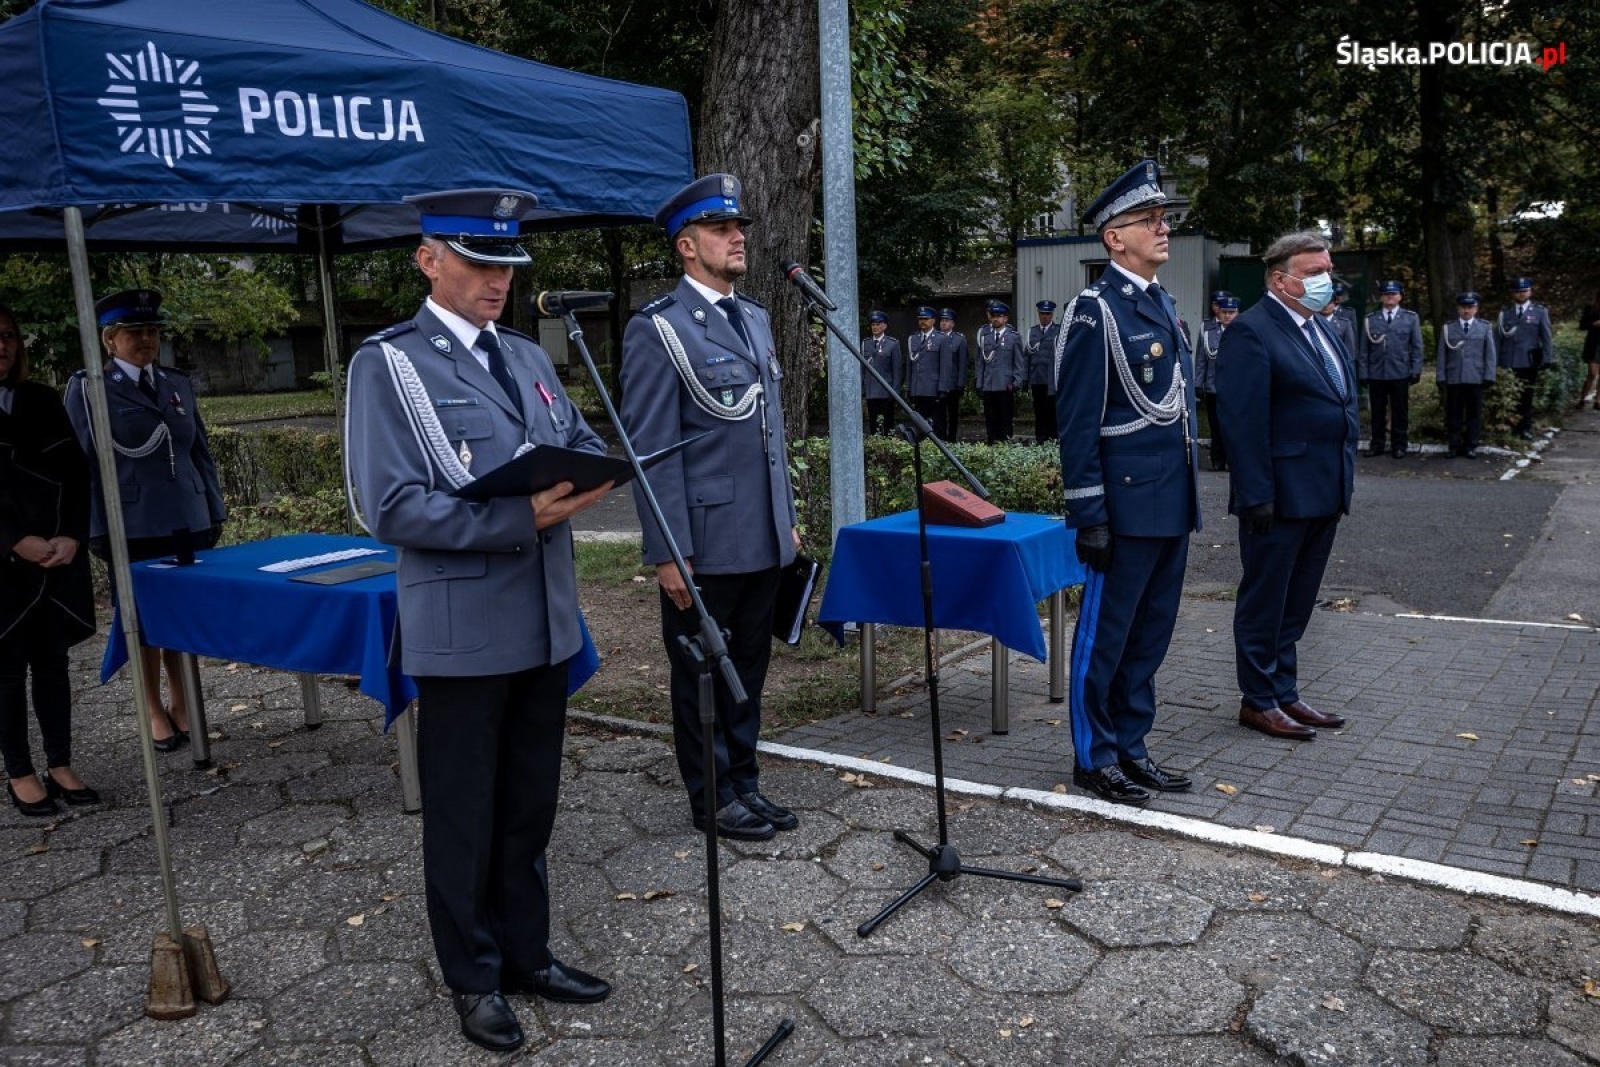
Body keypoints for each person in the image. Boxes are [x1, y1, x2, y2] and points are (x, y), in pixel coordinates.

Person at [345, 189, 614, 1054]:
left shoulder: (527, 354)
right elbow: (386, 504)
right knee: (463, 816)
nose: (499, 280)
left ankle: (528, 953)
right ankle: (473, 976)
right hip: (463, 625)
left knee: (530, 805)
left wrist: (588, 475)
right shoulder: (390, 364)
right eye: (479, 262)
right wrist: (517, 515)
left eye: (508, 265)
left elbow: (576, 439)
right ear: (428, 260)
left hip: (544, 621)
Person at [618, 173, 801, 843]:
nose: (737, 237)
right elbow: (651, 449)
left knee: (748, 665)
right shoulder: (659, 329)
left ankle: (745, 781)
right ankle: (712, 796)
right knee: (702, 673)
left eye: (739, 228)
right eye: (722, 229)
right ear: (687, 246)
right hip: (703, 539)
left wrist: (785, 517)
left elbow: (769, 434)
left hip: (762, 535)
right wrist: (667, 550)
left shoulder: (753, 317)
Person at [1055, 160, 1200, 805]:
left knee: (1150, 635)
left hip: (1169, 501)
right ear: (1114, 237)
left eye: (1164, 219)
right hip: (1123, 505)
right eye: (1150, 220)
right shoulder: (1095, 312)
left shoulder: (1160, 302)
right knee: (1106, 638)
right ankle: (1095, 756)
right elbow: (1077, 423)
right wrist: (1089, 513)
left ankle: (1133, 747)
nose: (1163, 228)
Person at [65, 289, 225, 752]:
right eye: (134, 332)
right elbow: (82, 465)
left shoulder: (176, 382)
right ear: (110, 339)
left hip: (185, 518)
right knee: (141, 621)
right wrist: (96, 527)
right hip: (132, 525)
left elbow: (200, 453)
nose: (146, 339)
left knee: (182, 616)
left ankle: (182, 701)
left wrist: (213, 509)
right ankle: (152, 709)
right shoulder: (90, 388)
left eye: (152, 330)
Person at [1216, 231, 1359, 742]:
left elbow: (1339, 400)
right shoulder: (1251, 331)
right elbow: (1242, 421)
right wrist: (1256, 493)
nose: (1327, 280)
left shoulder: (1320, 326)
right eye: (1315, 272)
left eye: (1328, 269)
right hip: (1278, 495)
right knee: (1266, 599)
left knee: (1297, 601)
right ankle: (1258, 700)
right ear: (1281, 280)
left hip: (1324, 487)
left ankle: (1284, 690)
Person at [1, 306, 99, 816]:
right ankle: (19, 772)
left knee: (53, 666)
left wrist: (72, 536)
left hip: (55, 560)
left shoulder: (40, 398)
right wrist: (13, 540)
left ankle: (60, 763)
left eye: (8, 336)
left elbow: (77, 474)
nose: (1, 346)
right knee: (7, 673)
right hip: (5, 565)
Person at [1358, 280, 1423, 458]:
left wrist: (1416, 370)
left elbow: (1417, 347)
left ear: (1400, 297)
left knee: (1400, 411)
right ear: (1381, 297)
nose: (1390, 297)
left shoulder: (1410, 318)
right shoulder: (1371, 319)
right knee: (1377, 411)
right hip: (1377, 372)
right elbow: (1364, 349)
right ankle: (1377, 444)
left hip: (1400, 371)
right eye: (1386, 294)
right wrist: (1363, 372)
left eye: (1393, 294)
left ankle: (1399, 445)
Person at [1436, 292, 1497, 458]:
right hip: (1454, 377)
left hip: (1476, 377)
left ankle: (1471, 445)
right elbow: (1442, 354)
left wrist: (1489, 375)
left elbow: (1490, 354)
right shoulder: (1448, 328)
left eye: (1470, 307)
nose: (1466, 310)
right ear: (1458, 309)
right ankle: (1454, 445)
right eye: (1463, 307)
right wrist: (1441, 376)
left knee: (1474, 414)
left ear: (1476, 309)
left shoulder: (1484, 327)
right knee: (1453, 413)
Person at [1498, 277, 1554, 439]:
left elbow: (1546, 337)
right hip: (1508, 360)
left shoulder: (1540, 312)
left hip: (1529, 361)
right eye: (1518, 291)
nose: (1521, 294)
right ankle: (1508, 428)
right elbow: (1498, 339)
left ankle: (1524, 428)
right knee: (1508, 397)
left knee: (1526, 397)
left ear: (1530, 291)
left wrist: (1547, 358)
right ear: (1512, 293)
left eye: (1524, 291)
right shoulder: (1505, 313)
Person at [1195, 293, 1238, 471]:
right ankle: (1217, 460)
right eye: (1224, 312)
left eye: (1231, 312)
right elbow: (1201, 360)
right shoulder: (1209, 332)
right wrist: (1198, 384)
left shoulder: (1243, 331)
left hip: (1236, 389)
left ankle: (1232, 460)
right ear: (1219, 312)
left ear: (1237, 313)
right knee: (1215, 425)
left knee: (1233, 426)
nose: (1228, 316)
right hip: (1214, 388)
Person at [975, 300, 1025, 443]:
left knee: (1005, 420)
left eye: (999, 316)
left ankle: (1005, 447)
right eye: (993, 316)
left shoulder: (1014, 337)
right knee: (990, 420)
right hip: (989, 385)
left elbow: (1018, 362)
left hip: (1005, 385)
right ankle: (991, 445)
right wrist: (979, 383)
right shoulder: (985, 338)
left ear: (1006, 318)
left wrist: (1016, 382)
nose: (995, 319)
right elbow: (980, 363)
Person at [905, 306, 948, 436]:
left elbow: (945, 365)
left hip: (934, 389)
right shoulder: (913, 338)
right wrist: (909, 387)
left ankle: (939, 444)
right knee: (919, 424)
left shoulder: (941, 338)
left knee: (938, 423)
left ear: (933, 321)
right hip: (918, 388)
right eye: (920, 319)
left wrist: (942, 388)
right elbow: (910, 365)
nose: (922, 321)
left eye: (926, 319)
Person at [861, 310, 903, 436]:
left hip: (886, 391)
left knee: (888, 424)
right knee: (873, 424)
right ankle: (876, 444)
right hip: (871, 391)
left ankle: (888, 444)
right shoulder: (866, 343)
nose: (875, 327)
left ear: (884, 326)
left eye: (878, 324)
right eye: (873, 325)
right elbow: (862, 369)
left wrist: (895, 392)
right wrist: (863, 389)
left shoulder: (892, 344)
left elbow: (897, 370)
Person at [1026, 300, 1061, 444]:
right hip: (1037, 377)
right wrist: (1026, 378)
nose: (1045, 316)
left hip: (1052, 378)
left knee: (1052, 410)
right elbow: (1027, 356)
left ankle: (1053, 438)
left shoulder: (1058, 330)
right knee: (1039, 410)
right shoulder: (1032, 332)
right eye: (1042, 314)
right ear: (1038, 315)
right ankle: (1040, 439)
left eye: (1047, 314)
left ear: (1052, 315)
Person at [937, 308, 970, 441]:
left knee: (952, 413)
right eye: (942, 320)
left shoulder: (959, 340)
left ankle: (952, 438)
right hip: (938, 383)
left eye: (947, 320)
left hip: (952, 384)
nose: (943, 323)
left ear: (953, 324)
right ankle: (940, 437)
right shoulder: (935, 338)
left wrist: (961, 383)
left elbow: (962, 363)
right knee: (939, 413)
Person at [1577, 289, 1600, 409]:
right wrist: (1594, 324)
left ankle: (1598, 401)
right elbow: (1582, 325)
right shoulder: (1590, 308)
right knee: (1592, 373)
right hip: (1594, 344)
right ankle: (1582, 398)